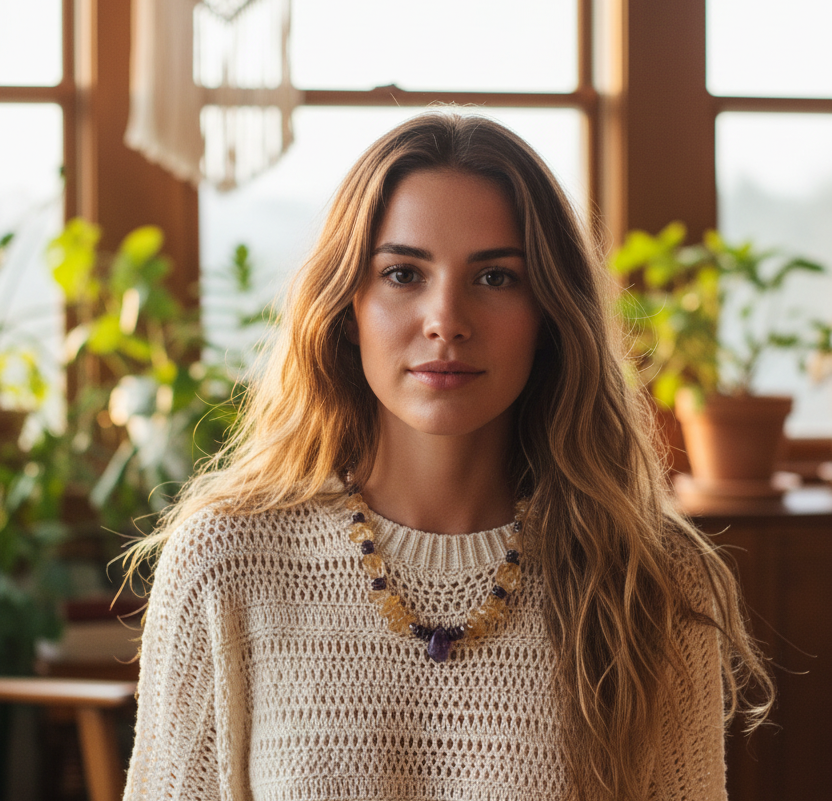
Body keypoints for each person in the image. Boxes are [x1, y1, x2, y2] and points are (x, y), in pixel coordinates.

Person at [120, 112, 773, 801]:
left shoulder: (650, 577)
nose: (446, 320)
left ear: (549, 317)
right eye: (403, 273)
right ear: (349, 308)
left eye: (495, 278)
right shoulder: (227, 559)